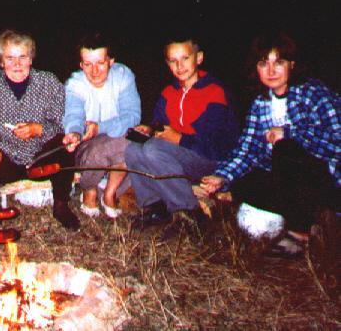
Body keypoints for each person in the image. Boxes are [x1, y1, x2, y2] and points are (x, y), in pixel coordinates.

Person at [201, 32, 339, 257]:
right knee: (243, 182)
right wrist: (222, 177)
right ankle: (301, 228)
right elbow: (247, 150)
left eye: (279, 62)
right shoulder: (260, 103)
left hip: (325, 181)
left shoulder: (314, 94)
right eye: (264, 63)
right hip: (289, 185)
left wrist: (289, 133)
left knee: (285, 149)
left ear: (292, 65)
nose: (271, 71)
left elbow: (337, 142)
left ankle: (303, 232)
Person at [124, 35, 238, 237]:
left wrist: (180, 138)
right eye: (173, 61)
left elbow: (217, 145)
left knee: (152, 149)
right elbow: (159, 123)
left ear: (199, 58)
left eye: (185, 58)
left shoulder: (214, 92)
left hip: (207, 160)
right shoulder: (169, 92)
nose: (180, 66)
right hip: (177, 156)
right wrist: (148, 130)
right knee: (133, 148)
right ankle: (154, 207)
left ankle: (188, 213)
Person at [0, 30, 80, 231]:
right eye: (10, 58)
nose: (17, 64)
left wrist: (39, 129)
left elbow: (63, 121)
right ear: (1, 62)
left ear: (31, 59)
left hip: (42, 157)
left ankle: (61, 206)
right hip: (7, 158)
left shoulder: (49, 82)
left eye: (22, 57)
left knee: (66, 145)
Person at [62, 33, 141, 218]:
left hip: (118, 140)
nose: (94, 71)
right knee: (97, 151)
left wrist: (100, 128)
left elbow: (133, 116)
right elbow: (73, 114)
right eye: (88, 64)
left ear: (111, 61)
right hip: (88, 149)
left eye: (100, 63)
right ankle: (89, 189)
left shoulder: (123, 76)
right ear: (81, 65)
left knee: (132, 142)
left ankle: (109, 193)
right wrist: (74, 132)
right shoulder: (75, 83)